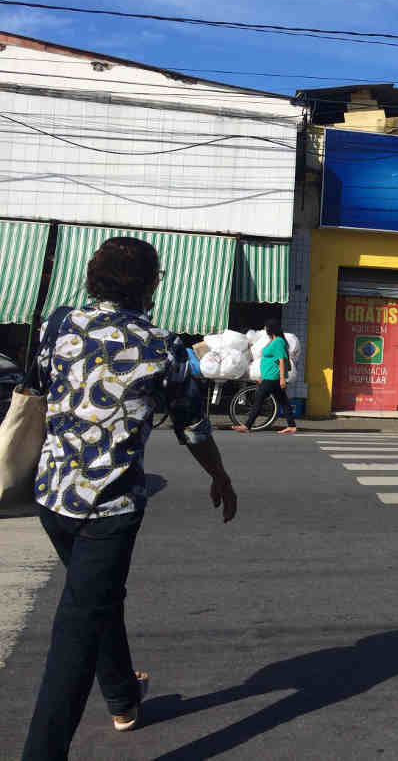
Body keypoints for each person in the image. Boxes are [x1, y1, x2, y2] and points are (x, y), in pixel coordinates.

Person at [22, 237, 237, 759]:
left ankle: (122, 698)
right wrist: (221, 479)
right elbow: (194, 428)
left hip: (52, 496)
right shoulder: (163, 347)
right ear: (149, 285)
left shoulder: (57, 322)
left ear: (94, 277)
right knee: (76, 633)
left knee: (94, 601)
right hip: (108, 508)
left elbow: (37, 386)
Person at [233, 319, 297, 435]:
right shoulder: (275, 341)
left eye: (266, 327)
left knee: (259, 399)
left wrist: (282, 378)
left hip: (273, 378)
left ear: (270, 329)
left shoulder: (278, 342)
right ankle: (291, 426)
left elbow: (281, 360)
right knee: (283, 401)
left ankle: (247, 425)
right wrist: (263, 376)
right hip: (270, 377)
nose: (265, 329)